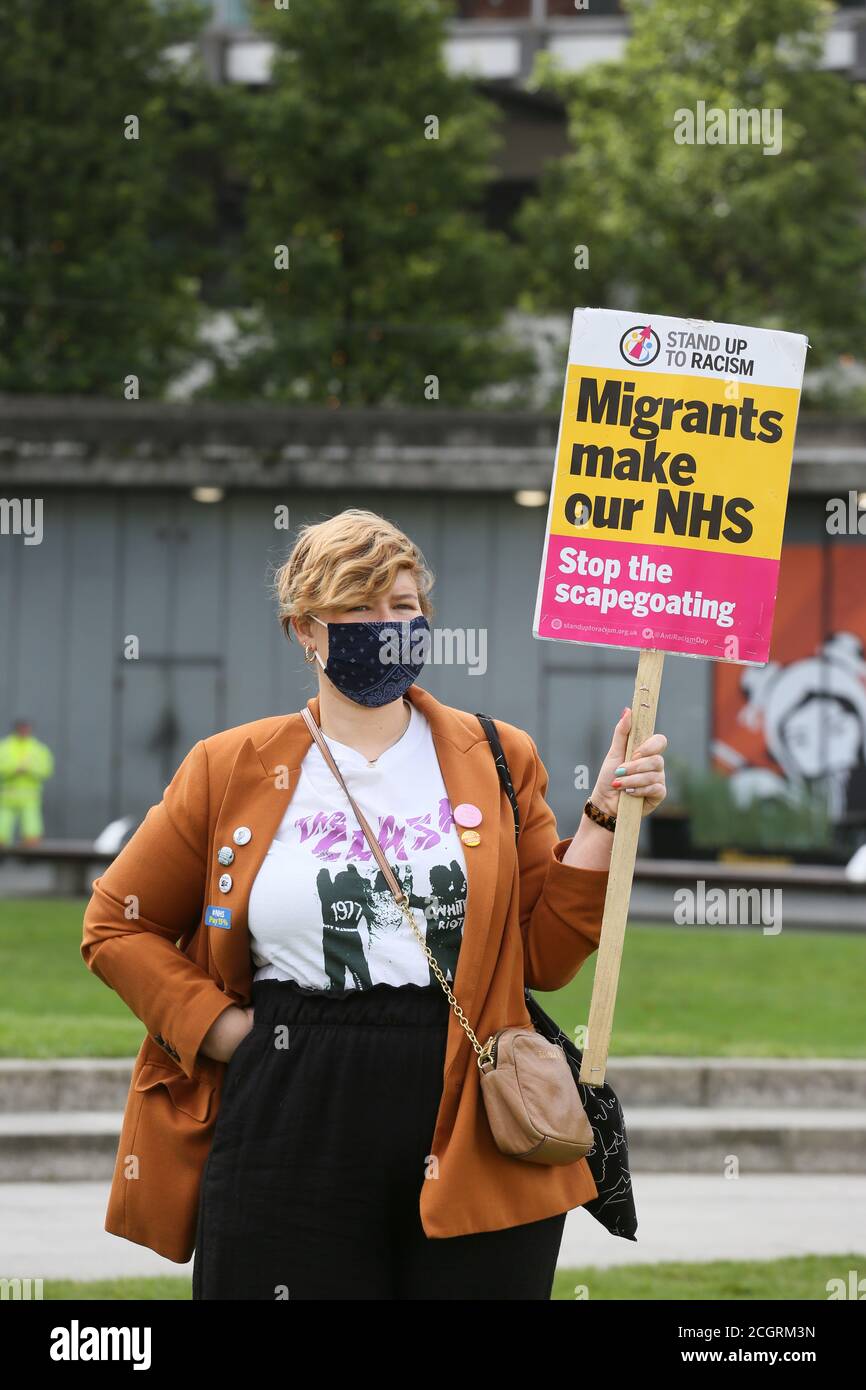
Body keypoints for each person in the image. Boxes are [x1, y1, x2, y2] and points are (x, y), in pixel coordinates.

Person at [81, 508, 667, 1300]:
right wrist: (222, 1033)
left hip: (468, 1089)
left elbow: (546, 958)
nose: (384, 626)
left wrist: (602, 817)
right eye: (356, 608)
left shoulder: (498, 755)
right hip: (290, 1093)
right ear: (304, 629)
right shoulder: (228, 767)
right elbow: (118, 921)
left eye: (401, 606)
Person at [0, 718, 55, 846]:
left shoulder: (38, 748)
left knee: (31, 820)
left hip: (29, 794)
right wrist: (14, 769)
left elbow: (46, 769)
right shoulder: (5, 747)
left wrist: (29, 769)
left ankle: (31, 841)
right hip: (8, 794)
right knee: (4, 819)